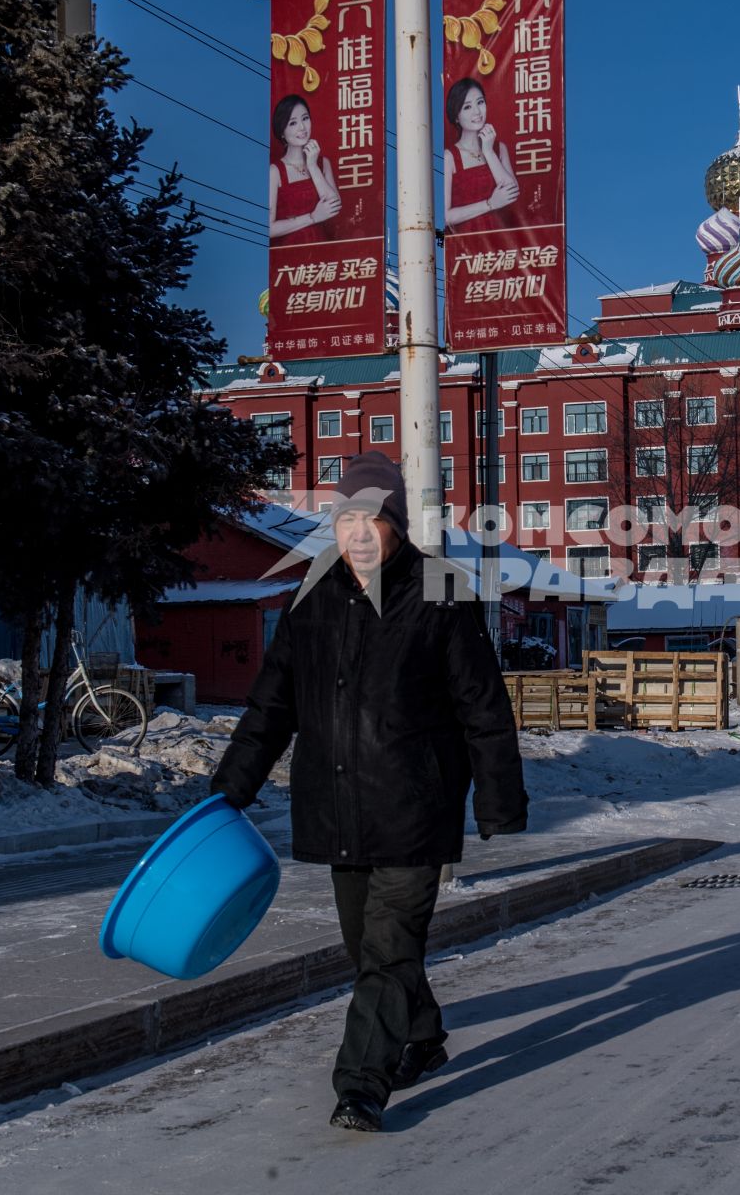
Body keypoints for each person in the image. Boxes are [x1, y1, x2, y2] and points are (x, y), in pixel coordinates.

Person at [210, 450, 528, 1134]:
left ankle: (361, 1083)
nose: (357, 532)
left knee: (386, 948)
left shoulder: (442, 590)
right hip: (339, 807)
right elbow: (271, 706)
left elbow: (483, 707)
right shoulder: (311, 598)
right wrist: (230, 789)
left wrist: (498, 800)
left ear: (397, 526)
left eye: (372, 518)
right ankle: (421, 1036)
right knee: (366, 946)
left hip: (417, 808)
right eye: (345, 517)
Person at [441, 78, 518, 234]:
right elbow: (446, 216)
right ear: (456, 116)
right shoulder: (449, 157)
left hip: (502, 242)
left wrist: (488, 151)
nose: (477, 112)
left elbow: (512, 192)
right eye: (467, 107)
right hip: (467, 249)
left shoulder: (499, 148)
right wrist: (489, 204)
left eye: (480, 102)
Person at [268, 94, 342, 241]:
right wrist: (312, 217)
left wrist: (312, 166)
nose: (302, 127)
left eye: (305, 118)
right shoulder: (275, 171)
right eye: (293, 123)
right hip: (290, 257)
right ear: (282, 131)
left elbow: (334, 206)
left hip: (322, 254)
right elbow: (268, 228)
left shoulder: (322, 163)